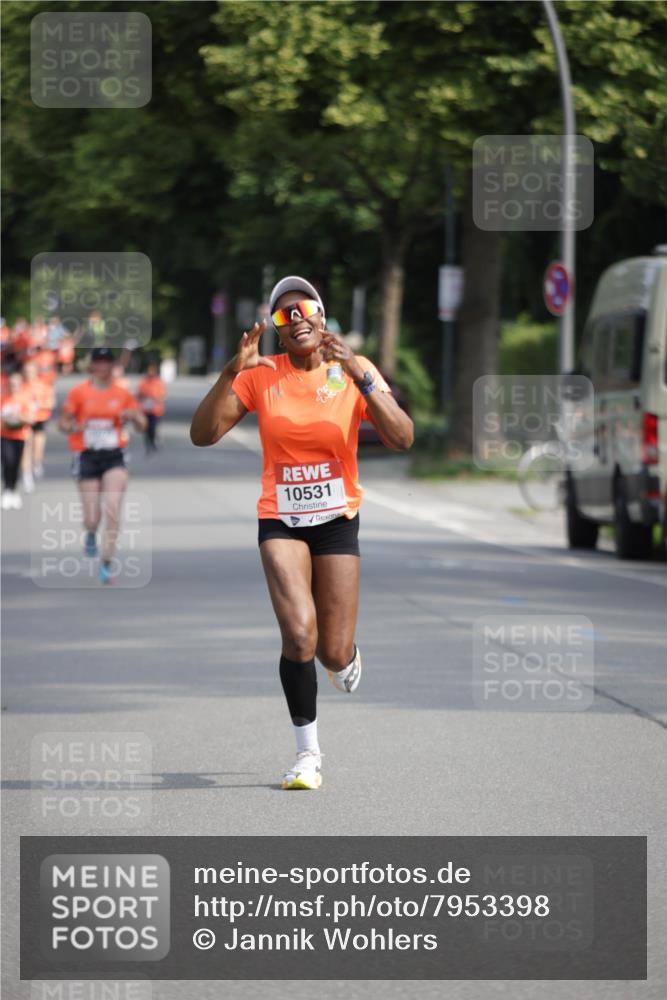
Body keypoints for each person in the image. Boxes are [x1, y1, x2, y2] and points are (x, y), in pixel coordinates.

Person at [190, 276, 414, 789]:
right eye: (283, 316)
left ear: (322, 315)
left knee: (332, 650)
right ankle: (307, 754)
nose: (296, 320)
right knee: (298, 635)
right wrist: (230, 373)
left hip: (337, 522)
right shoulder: (261, 375)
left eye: (304, 308)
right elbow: (202, 435)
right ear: (276, 331)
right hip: (281, 520)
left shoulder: (351, 372)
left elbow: (402, 437)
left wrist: (361, 374)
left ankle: (346, 658)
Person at [57, 347, 146, 584]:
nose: (103, 366)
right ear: (92, 365)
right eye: (99, 362)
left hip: (114, 455)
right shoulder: (79, 392)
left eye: (107, 361)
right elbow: (63, 423)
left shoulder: (122, 393)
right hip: (86, 455)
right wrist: (73, 427)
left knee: (112, 508)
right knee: (92, 517)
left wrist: (134, 417)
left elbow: (142, 424)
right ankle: (89, 532)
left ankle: (107, 563)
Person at [1, 370, 36, 509]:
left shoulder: (26, 398)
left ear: (21, 384)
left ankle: (14, 490)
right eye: (11, 383)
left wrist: (20, 417)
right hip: (4, 434)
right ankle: (7, 490)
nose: (13, 386)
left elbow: (32, 418)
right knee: (7, 462)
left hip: (20, 435)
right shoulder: (3, 398)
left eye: (16, 383)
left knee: (16, 464)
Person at [20, 360, 55, 490]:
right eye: (26, 371)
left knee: (38, 448)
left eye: (31, 371)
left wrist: (39, 405)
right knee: (26, 448)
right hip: (24, 420)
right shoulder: (20, 386)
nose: (28, 374)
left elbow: (51, 403)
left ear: (36, 372)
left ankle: (37, 463)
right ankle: (27, 475)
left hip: (40, 419)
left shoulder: (43, 385)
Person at [137, 362, 168, 453]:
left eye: (152, 371)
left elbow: (163, 396)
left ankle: (153, 441)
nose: (150, 373)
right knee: (146, 429)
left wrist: (155, 398)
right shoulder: (143, 382)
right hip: (145, 410)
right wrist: (144, 397)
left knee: (153, 428)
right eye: (149, 371)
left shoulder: (159, 383)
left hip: (156, 410)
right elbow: (138, 395)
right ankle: (149, 444)